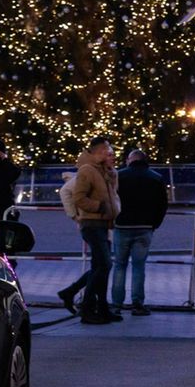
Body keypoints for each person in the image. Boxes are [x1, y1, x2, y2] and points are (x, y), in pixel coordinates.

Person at [59, 137, 121, 325]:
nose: (111, 156)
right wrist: (98, 207)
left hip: (104, 224)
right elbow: (78, 197)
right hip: (92, 224)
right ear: (98, 152)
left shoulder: (104, 172)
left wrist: (111, 174)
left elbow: (111, 195)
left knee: (100, 266)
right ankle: (86, 308)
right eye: (108, 152)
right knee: (104, 265)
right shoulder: (87, 171)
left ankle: (99, 307)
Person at [111, 149, 167, 316]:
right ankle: (137, 303)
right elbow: (162, 205)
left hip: (122, 226)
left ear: (130, 160)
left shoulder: (119, 176)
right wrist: (154, 224)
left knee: (120, 265)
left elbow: (111, 200)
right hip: (145, 227)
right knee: (139, 266)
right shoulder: (155, 178)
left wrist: (114, 220)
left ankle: (116, 305)